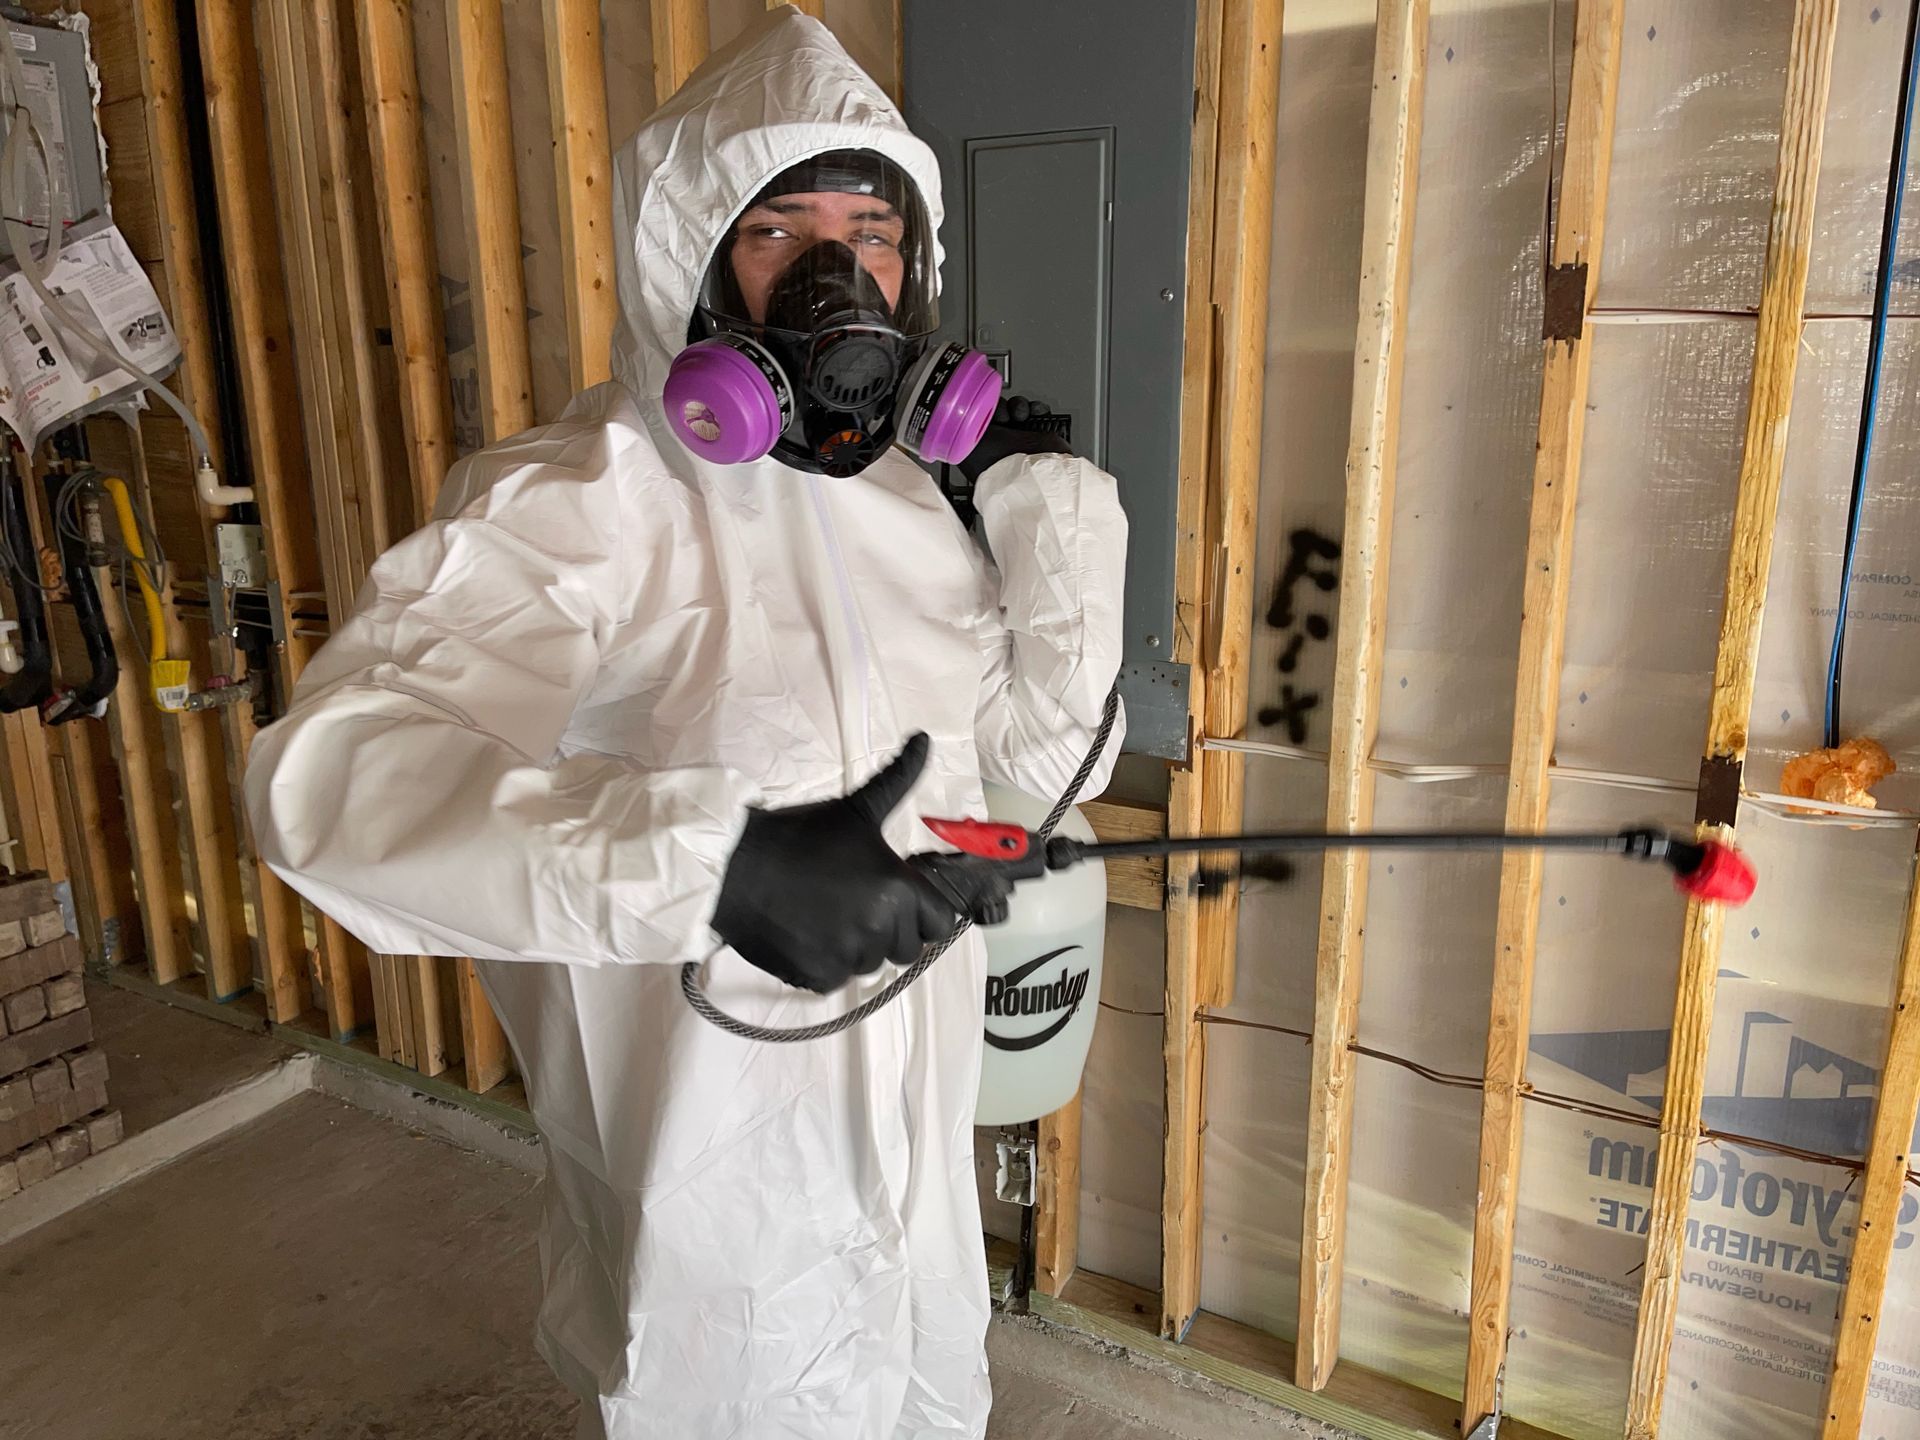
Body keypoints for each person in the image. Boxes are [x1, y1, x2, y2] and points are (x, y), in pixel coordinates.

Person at [244, 9, 1125, 1438]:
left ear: (916, 264)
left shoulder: (918, 507)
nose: (840, 276)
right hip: (712, 1221)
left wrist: (1054, 521)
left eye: (871, 232)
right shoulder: (583, 501)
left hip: (915, 1198)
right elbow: (331, 782)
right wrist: (712, 870)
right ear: (695, 257)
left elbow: (1032, 779)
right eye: (782, 229)